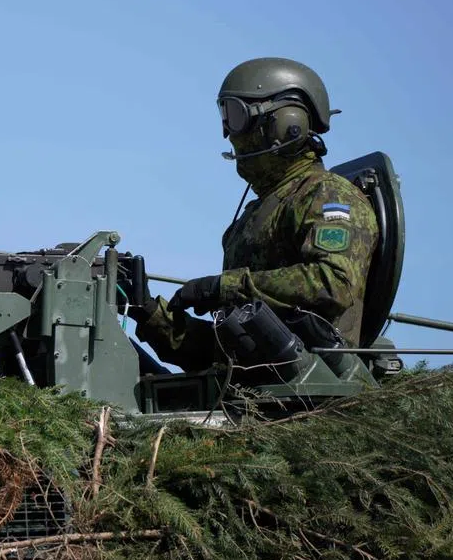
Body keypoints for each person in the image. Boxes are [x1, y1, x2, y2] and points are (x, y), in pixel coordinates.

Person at [130, 57, 379, 372]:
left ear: (288, 124)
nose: (228, 134)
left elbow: (332, 283)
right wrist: (149, 313)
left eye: (236, 116)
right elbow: (224, 355)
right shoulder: (257, 213)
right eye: (225, 116)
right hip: (253, 396)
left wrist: (225, 286)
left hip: (303, 397)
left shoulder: (329, 197)